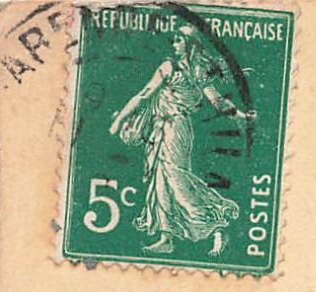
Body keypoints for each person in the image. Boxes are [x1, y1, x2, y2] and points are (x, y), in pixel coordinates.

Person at [108, 26, 255, 257]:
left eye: (178, 40)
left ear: (190, 43)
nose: (174, 44)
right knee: (161, 181)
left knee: (175, 179)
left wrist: (118, 122)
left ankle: (215, 225)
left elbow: (146, 94)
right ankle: (166, 238)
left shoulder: (186, 70)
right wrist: (241, 117)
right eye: (174, 40)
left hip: (174, 129)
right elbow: (216, 101)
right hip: (164, 128)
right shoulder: (190, 70)